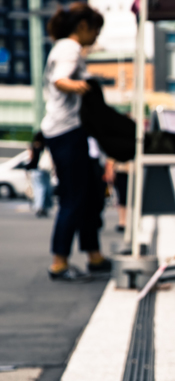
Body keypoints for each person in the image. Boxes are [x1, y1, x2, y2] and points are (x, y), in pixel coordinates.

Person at [40, 2, 109, 282]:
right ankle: (59, 262)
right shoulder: (69, 48)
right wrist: (80, 86)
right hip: (66, 132)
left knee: (89, 194)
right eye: (96, 30)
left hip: (66, 132)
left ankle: (94, 255)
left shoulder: (63, 48)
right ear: (83, 27)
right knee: (73, 197)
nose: (96, 37)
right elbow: (60, 80)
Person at [25, 132, 53, 217]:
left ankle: (39, 207)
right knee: (46, 189)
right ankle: (44, 207)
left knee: (39, 189)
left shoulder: (33, 146)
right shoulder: (46, 146)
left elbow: (31, 159)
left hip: (35, 171)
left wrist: (27, 167)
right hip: (45, 170)